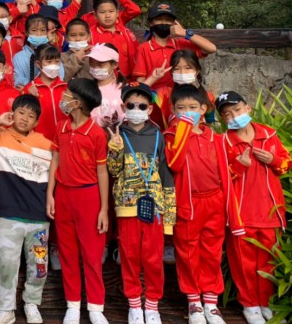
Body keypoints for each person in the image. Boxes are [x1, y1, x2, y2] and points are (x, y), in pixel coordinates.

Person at [0, 95, 53, 324]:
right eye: (21, 112)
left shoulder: (46, 145)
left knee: (39, 266)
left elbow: (58, 171)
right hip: (8, 217)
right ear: (12, 113)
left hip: (39, 217)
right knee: (7, 265)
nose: (24, 118)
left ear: (37, 122)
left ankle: (32, 303)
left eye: (31, 116)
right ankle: (6, 310)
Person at [164, 85, 240, 324]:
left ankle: (211, 302)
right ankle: (194, 302)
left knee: (212, 252)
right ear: (173, 110)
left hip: (214, 201)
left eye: (193, 107)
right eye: (181, 108)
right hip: (188, 203)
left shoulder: (215, 138)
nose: (187, 112)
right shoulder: (170, 137)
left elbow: (226, 172)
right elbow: (175, 164)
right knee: (188, 252)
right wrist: (183, 131)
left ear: (203, 109)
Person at [216, 91, 292, 324]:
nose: (234, 116)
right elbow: (219, 178)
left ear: (248, 108)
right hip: (241, 215)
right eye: (227, 114)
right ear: (222, 119)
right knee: (243, 263)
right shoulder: (223, 142)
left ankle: (266, 303)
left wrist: (273, 160)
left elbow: (286, 165)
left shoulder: (269, 135)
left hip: (270, 212)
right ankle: (250, 305)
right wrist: (239, 167)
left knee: (269, 261)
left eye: (237, 110)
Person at [107, 82, 176, 324]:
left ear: (150, 109)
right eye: (131, 105)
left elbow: (166, 176)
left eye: (142, 106)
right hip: (127, 208)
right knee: (129, 257)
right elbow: (114, 171)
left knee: (153, 259)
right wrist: (114, 150)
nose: (136, 109)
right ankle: (135, 305)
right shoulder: (118, 134)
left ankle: (152, 305)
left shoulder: (158, 136)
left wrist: (169, 217)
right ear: (124, 106)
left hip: (154, 208)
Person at [46, 78, 110, 324]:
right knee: (68, 253)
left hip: (88, 197)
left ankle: (95, 307)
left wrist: (103, 209)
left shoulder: (96, 133)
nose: (63, 98)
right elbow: (55, 160)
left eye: (68, 95)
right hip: (63, 196)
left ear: (79, 103)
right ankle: (72, 305)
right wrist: (50, 194)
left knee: (92, 255)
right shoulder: (61, 127)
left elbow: (102, 172)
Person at [132, 2, 217, 90]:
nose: (164, 22)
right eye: (159, 19)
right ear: (151, 23)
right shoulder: (143, 49)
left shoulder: (181, 44)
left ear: (174, 23)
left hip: (180, 95)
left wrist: (184, 32)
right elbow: (140, 83)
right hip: (154, 96)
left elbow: (211, 48)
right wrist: (154, 78)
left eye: (168, 20)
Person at [152, 50, 217, 131]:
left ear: (197, 71)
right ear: (172, 72)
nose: (182, 72)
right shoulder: (164, 93)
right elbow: (139, 96)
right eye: (177, 68)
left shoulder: (208, 97)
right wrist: (153, 78)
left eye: (188, 68)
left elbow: (209, 124)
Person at [23, 44, 67, 143]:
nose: (54, 65)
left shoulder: (67, 88)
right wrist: (29, 96)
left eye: (57, 61)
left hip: (65, 141)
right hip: (39, 143)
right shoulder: (29, 89)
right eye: (49, 61)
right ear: (38, 64)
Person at [88, 0, 138, 79]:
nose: (107, 15)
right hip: (100, 80)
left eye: (111, 11)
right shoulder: (90, 35)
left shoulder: (127, 34)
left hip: (126, 80)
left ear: (117, 13)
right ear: (95, 15)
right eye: (102, 12)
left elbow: (136, 57)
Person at [12, 14, 64, 90]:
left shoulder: (53, 54)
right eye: (34, 30)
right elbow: (18, 79)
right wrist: (30, 87)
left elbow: (60, 76)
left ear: (47, 32)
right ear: (26, 32)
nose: (39, 34)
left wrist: (41, 87)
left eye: (43, 30)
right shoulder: (18, 57)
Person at [86, 44, 126, 128]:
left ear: (114, 65)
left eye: (100, 65)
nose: (95, 68)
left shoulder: (124, 89)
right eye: (92, 64)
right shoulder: (85, 89)